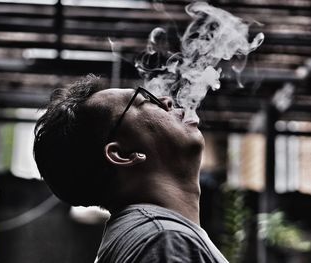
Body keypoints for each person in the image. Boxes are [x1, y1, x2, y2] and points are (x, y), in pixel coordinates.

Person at [33, 74, 228, 262]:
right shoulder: (165, 240)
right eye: (144, 101)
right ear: (122, 154)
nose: (166, 101)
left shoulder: (151, 237)